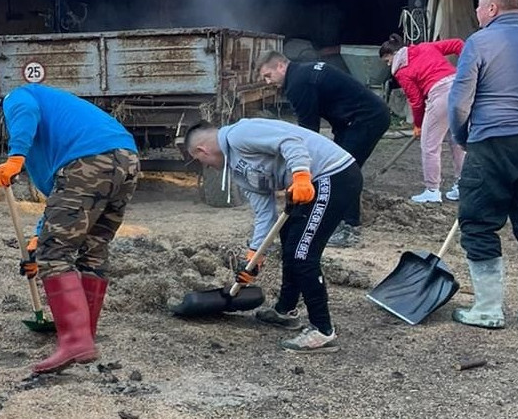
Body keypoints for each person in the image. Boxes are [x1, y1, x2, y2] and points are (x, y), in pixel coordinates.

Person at [0, 85, 140, 373]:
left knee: (55, 253)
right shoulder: (59, 128)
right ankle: (85, 334)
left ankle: (75, 341)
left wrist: (15, 157)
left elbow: (24, 110)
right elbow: (61, 205)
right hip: (126, 158)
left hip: (89, 161)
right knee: (92, 248)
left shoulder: (16, 96)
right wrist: (37, 239)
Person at [183, 118, 361, 352]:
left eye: (200, 161)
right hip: (308, 186)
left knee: (302, 254)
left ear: (201, 150)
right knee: (289, 241)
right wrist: (254, 256)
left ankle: (322, 329)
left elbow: (290, 141)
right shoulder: (238, 172)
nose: (206, 166)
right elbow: (265, 214)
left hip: (333, 175)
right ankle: (285, 310)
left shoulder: (240, 134)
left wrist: (300, 176)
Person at [448, 0, 518, 331]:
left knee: (478, 223)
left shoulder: (478, 42)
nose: (477, 13)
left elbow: (460, 99)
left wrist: (462, 137)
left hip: (491, 143)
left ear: (492, 8)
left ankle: (488, 309)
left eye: (479, 6)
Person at [256, 51, 391, 247]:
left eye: (268, 76)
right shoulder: (302, 73)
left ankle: (348, 227)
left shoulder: (297, 83)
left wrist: (299, 166)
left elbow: (309, 131)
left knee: (342, 171)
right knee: (338, 166)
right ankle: (338, 218)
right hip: (353, 121)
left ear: (280, 66)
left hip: (366, 119)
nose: (268, 82)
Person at [378, 33, 466, 203]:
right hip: (460, 89)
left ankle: (432, 190)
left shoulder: (402, 71)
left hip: (440, 94)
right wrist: (465, 69)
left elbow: (416, 102)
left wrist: (418, 125)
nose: (388, 65)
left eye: (387, 60)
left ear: (394, 55)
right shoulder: (425, 47)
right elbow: (457, 43)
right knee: (457, 141)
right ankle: (463, 186)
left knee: (429, 146)